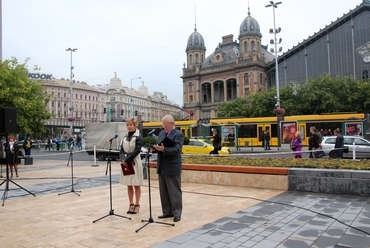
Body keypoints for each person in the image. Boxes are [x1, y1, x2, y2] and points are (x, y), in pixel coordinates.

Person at [151, 115, 183, 222]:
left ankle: (177, 213)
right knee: (163, 191)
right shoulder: (161, 133)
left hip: (172, 166)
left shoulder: (178, 134)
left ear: (172, 124)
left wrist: (164, 149)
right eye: (163, 125)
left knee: (174, 191)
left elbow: (177, 149)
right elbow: (160, 145)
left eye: (166, 125)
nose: (164, 127)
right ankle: (167, 212)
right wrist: (155, 148)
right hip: (162, 166)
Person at [119, 118, 143, 214]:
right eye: (127, 125)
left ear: (135, 125)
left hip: (134, 162)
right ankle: (131, 204)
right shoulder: (124, 137)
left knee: (136, 184)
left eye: (131, 125)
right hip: (126, 162)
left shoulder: (138, 137)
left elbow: (137, 150)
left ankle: (137, 204)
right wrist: (122, 159)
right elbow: (121, 150)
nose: (129, 126)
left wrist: (127, 160)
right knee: (129, 184)